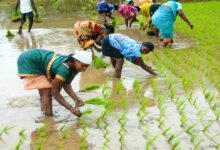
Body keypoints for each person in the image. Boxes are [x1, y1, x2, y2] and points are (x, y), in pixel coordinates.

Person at [17, 49, 93, 116]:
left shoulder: (75, 67)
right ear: (76, 60)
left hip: (39, 59)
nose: (84, 69)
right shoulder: (63, 69)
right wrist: (71, 109)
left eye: (87, 67)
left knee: (44, 91)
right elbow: (55, 93)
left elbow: (66, 83)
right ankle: (48, 118)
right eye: (83, 66)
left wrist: (76, 98)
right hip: (30, 60)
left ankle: (44, 112)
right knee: (46, 91)